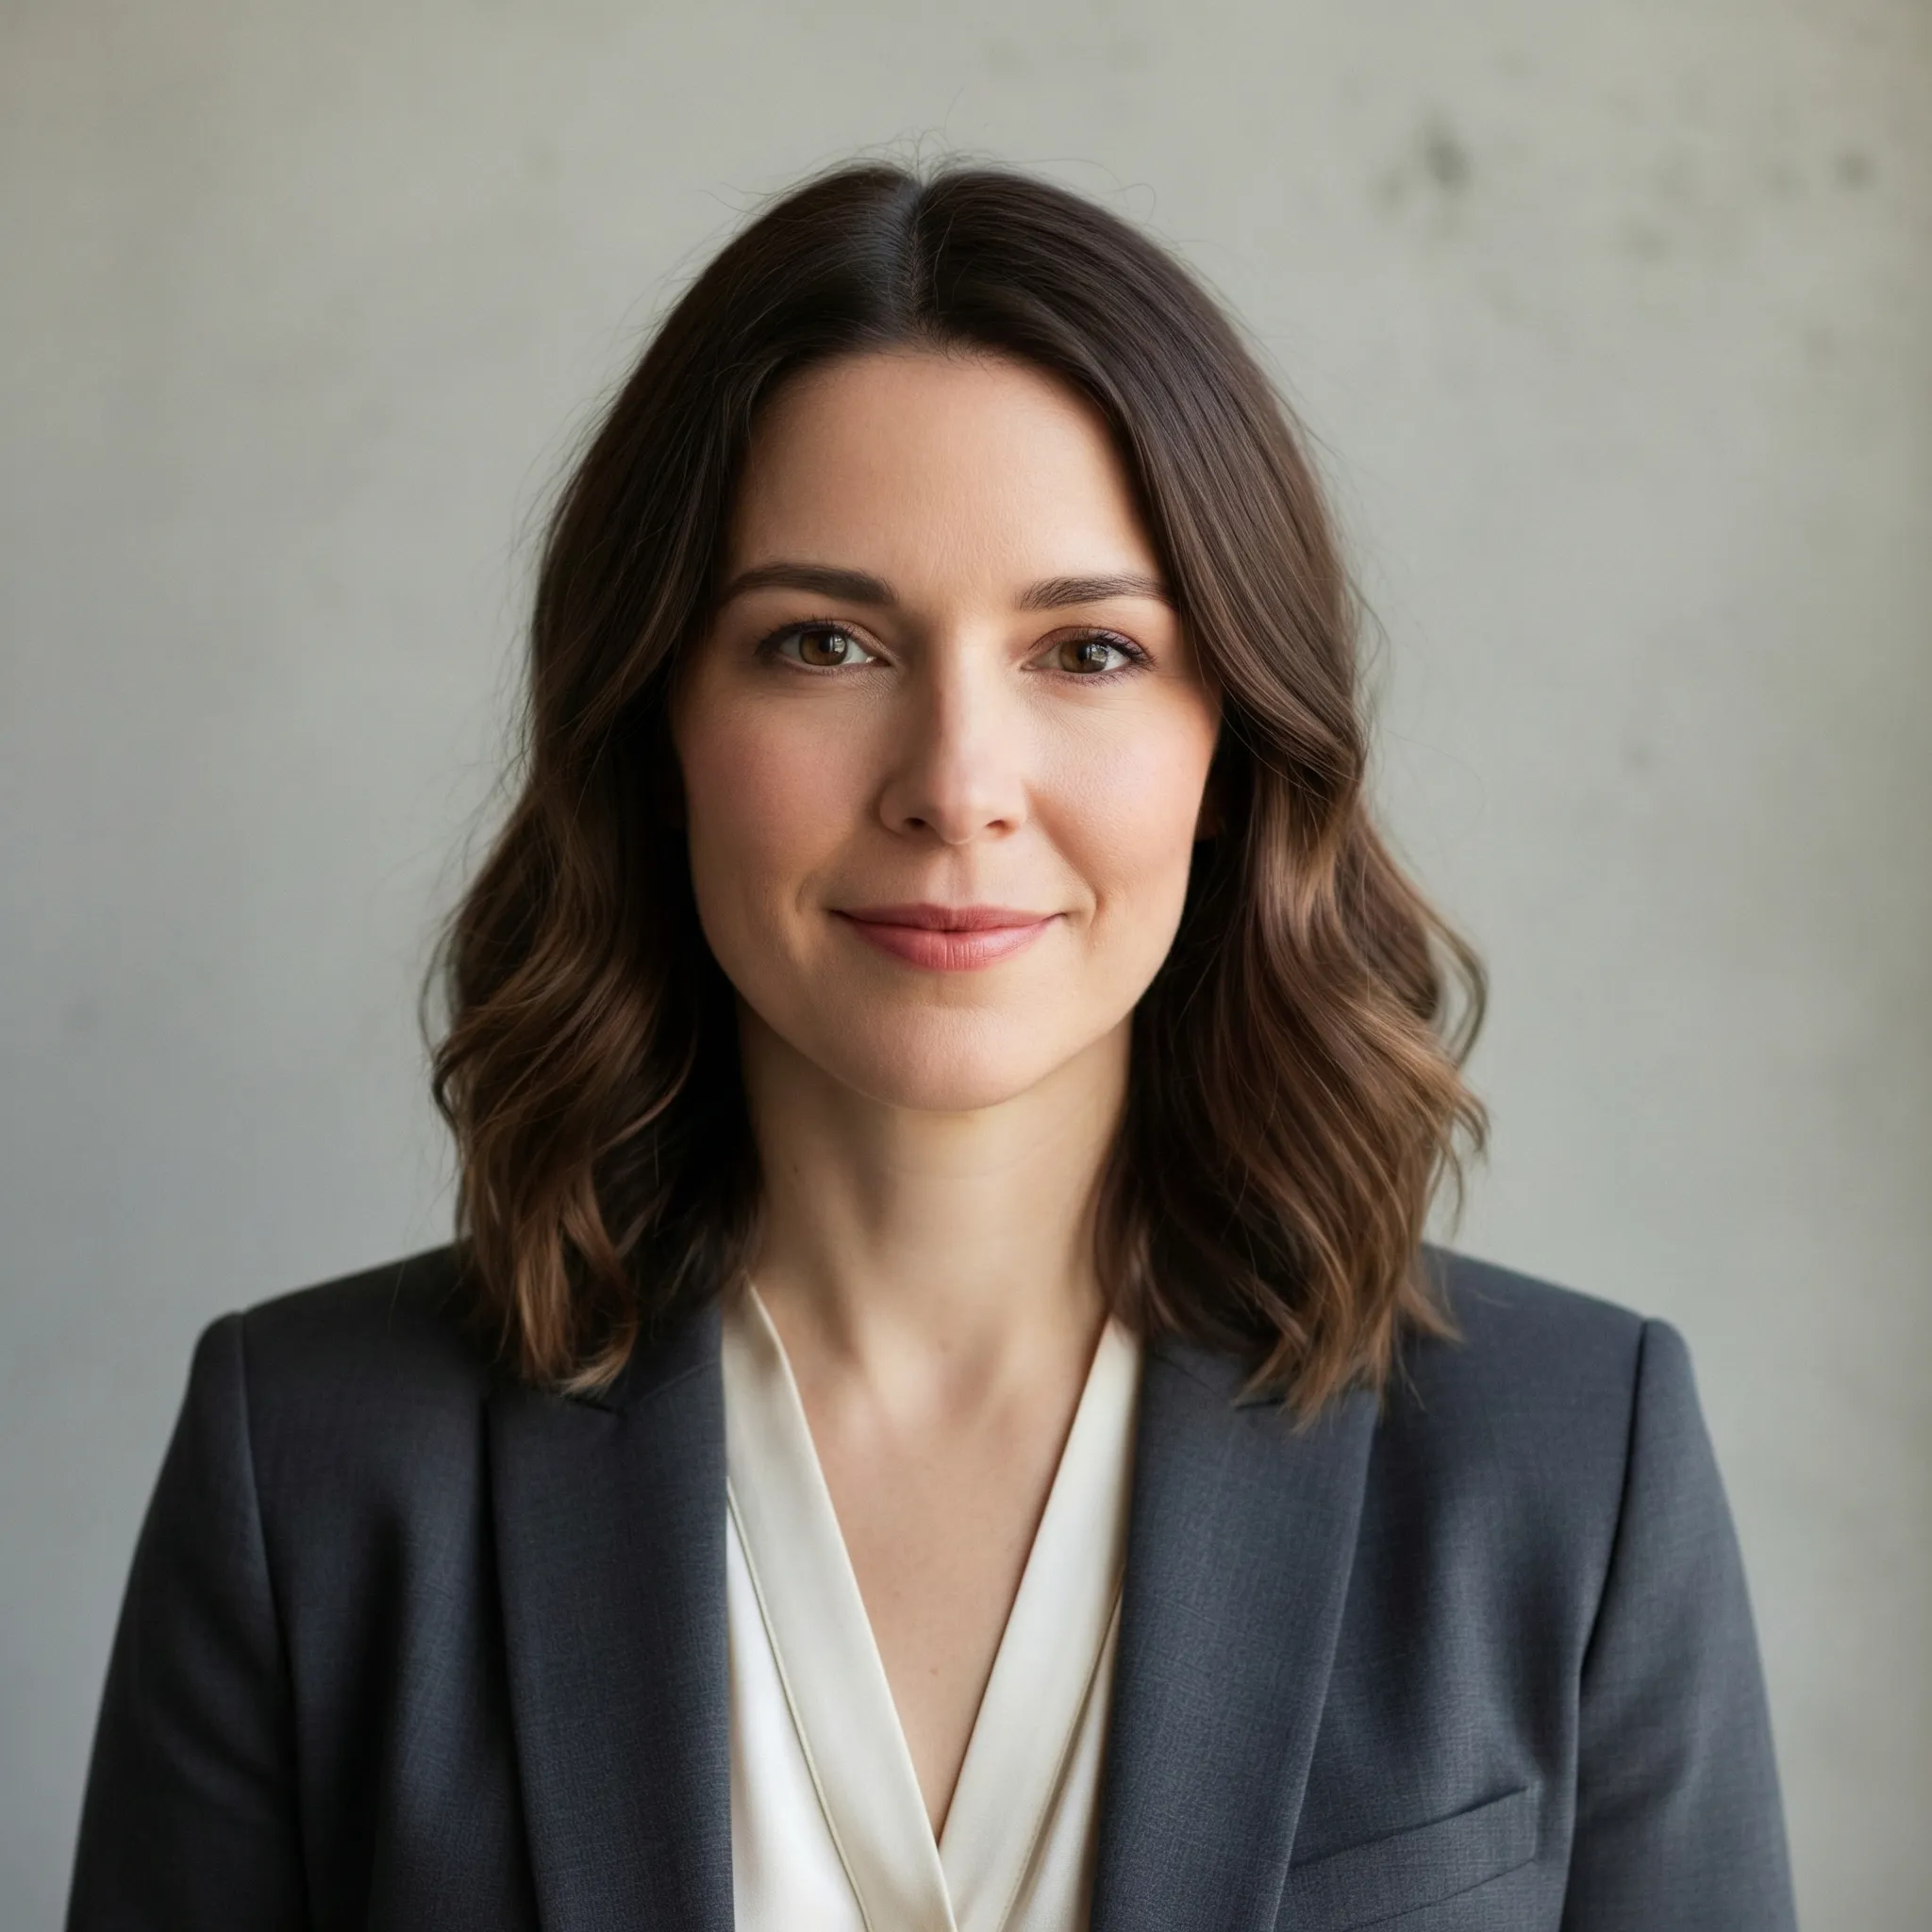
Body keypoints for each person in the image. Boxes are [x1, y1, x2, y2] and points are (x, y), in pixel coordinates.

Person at [66, 161, 1797, 1932]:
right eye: (824, 643)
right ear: (656, 720)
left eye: (1089, 651)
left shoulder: (1573, 1460)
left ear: (1236, 749)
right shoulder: (318, 1465)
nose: (956, 785)